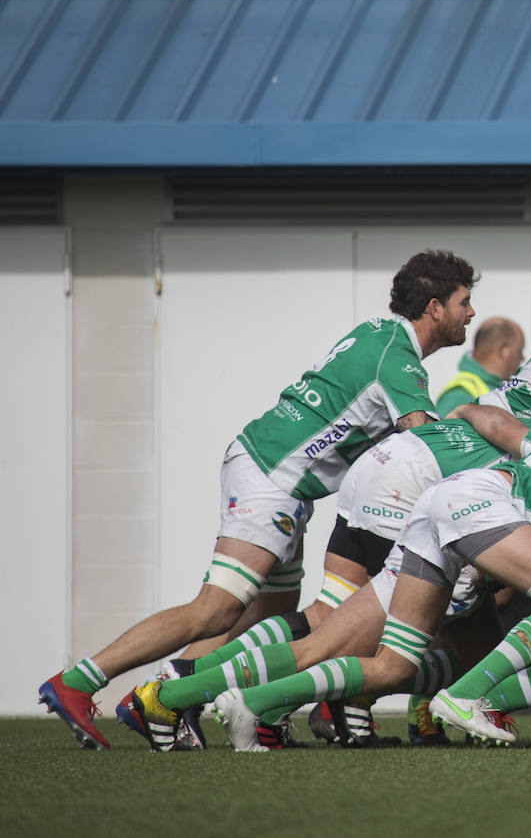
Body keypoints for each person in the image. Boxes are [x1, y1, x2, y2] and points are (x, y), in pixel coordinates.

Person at [39, 250, 477, 750]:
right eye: (466, 301)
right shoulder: (397, 358)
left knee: (264, 622)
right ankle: (82, 683)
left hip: (277, 478)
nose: (472, 313)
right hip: (272, 476)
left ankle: (172, 696)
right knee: (215, 610)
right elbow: (421, 447)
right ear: (436, 306)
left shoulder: (380, 335)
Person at [216, 425, 531, 751]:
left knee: (395, 664)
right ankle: (465, 698)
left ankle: (255, 701)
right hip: (479, 498)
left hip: (444, 502)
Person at [434, 317, 526, 417]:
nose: (522, 358)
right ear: (502, 350)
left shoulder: (498, 387)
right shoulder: (459, 395)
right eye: (519, 351)